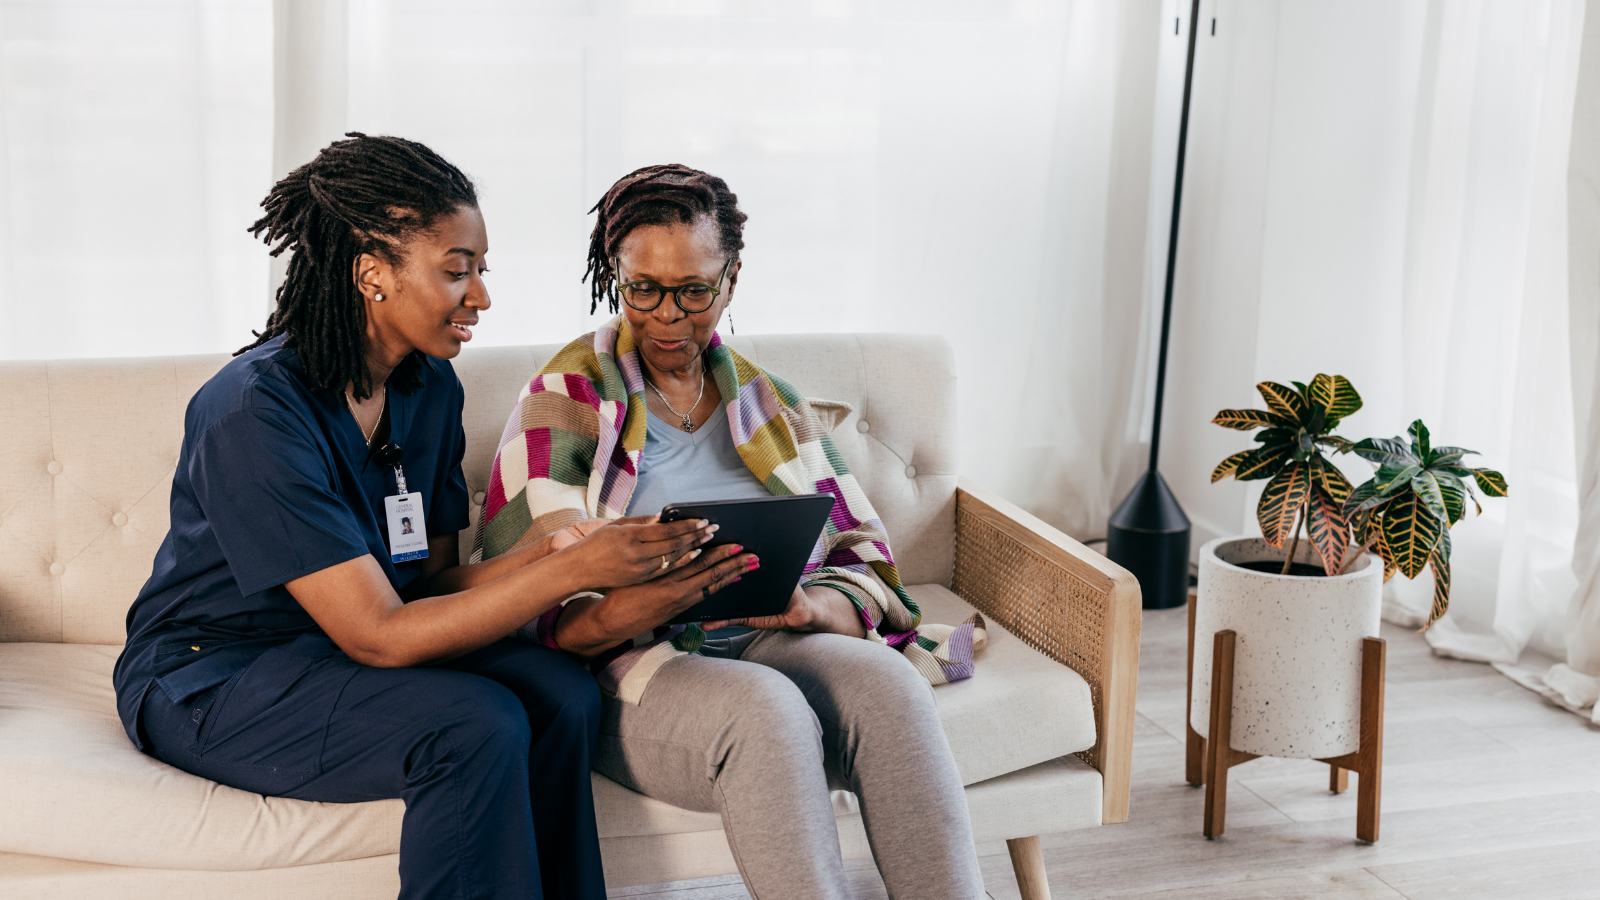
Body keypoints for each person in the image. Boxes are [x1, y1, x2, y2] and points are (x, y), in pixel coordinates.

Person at [112, 136, 754, 900]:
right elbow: (378, 634)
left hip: (339, 649)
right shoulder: (254, 412)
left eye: (480, 270)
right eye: (457, 270)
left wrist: (570, 544)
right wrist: (570, 573)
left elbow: (436, 580)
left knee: (563, 692)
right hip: (215, 675)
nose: (480, 295)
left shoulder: (428, 389)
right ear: (371, 272)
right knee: (471, 722)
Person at [475, 164, 987, 899]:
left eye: (694, 290)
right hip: (640, 669)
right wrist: (635, 598)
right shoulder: (566, 399)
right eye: (642, 288)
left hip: (769, 636)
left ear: (733, 278)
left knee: (888, 685)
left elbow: (867, 560)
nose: (667, 316)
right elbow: (530, 596)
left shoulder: (767, 400)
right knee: (764, 710)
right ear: (614, 276)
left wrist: (812, 609)